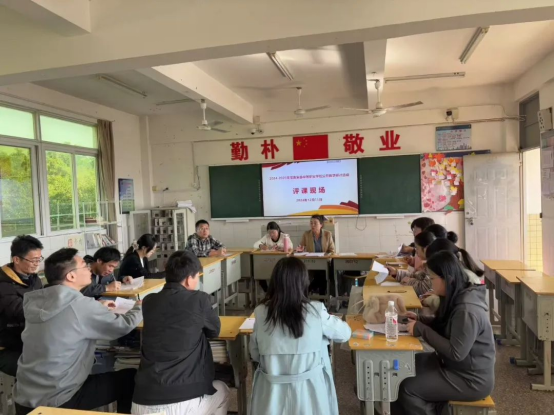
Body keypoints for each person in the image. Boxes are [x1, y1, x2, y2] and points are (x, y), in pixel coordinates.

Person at [13, 248, 143, 415]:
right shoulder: (81, 305)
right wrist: (140, 307)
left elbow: (68, 317)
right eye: (84, 265)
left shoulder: (37, 301)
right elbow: (123, 325)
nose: (89, 268)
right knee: (131, 379)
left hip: (24, 397)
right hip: (59, 399)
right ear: (71, 276)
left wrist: (96, 307)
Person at [392, 251, 495, 415]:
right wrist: (420, 319)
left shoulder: (467, 310)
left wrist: (421, 329)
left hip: (471, 379)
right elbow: (446, 325)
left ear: (448, 278)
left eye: (432, 278)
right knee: (407, 365)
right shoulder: (457, 296)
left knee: (407, 388)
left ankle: (436, 411)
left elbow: (456, 352)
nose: (430, 283)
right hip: (453, 366)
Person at [250, 257, 351, 415]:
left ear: (274, 282)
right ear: (303, 282)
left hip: (272, 396)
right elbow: (345, 334)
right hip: (310, 394)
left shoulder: (261, 312)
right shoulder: (316, 311)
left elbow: (255, 353)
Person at [132, 250, 229, 415]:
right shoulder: (199, 299)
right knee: (223, 390)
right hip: (182, 402)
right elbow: (214, 331)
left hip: (141, 401)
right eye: (197, 277)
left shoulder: (149, 301)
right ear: (189, 279)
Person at [0, 235, 43, 377]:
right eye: (33, 260)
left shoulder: (33, 279)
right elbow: (22, 311)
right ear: (16, 259)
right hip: (7, 348)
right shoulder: (3, 284)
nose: (37, 264)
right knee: (40, 372)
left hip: (28, 341)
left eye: (39, 259)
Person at [387, 231, 436, 296]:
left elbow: (423, 289)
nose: (416, 251)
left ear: (425, 249)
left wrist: (409, 281)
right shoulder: (428, 263)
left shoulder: (434, 265)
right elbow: (417, 276)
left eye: (417, 248)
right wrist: (396, 273)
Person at [296, 215, 335, 295]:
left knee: (322, 273)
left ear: (321, 225)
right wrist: (300, 249)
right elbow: (301, 248)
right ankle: (320, 296)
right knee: (320, 275)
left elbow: (332, 250)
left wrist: (326, 256)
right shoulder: (306, 234)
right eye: (311, 223)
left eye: (315, 223)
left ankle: (312, 290)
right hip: (310, 263)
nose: (312, 225)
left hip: (324, 262)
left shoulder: (327, 234)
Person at [254, 221, 293, 292]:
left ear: (277, 230)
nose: (271, 234)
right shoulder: (267, 237)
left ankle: (278, 291)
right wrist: (261, 246)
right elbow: (255, 244)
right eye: (269, 232)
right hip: (269, 261)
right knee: (260, 273)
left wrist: (281, 248)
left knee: (279, 275)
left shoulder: (284, 236)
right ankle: (267, 291)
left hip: (281, 262)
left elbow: (290, 247)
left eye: (273, 232)